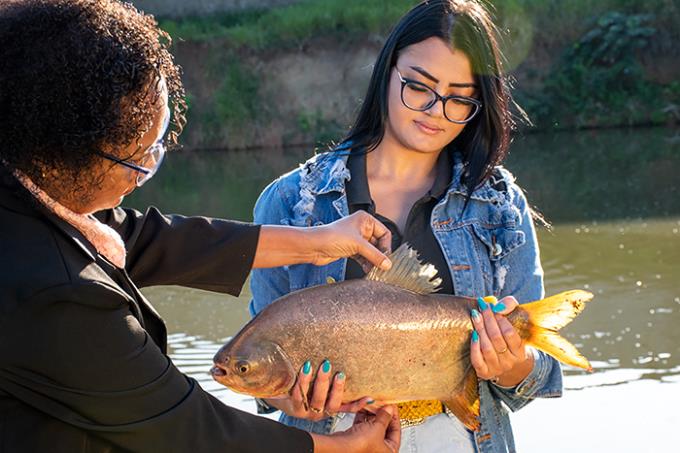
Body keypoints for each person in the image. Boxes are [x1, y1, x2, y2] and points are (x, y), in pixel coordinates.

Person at [0, 1, 402, 452]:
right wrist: (343, 448)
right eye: (137, 159)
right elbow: (185, 428)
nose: (143, 175)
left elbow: (144, 238)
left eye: (158, 146)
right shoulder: (52, 291)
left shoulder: (25, 190)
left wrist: (316, 243)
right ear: (63, 151)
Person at [249, 0, 564, 452]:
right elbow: (263, 365)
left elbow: (536, 378)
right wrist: (295, 399)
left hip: (464, 438)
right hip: (334, 441)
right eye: (419, 87)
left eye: (459, 97)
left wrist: (509, 364)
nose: (436, 110)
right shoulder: (290, 202)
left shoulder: (499, 205)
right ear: (387, 70)